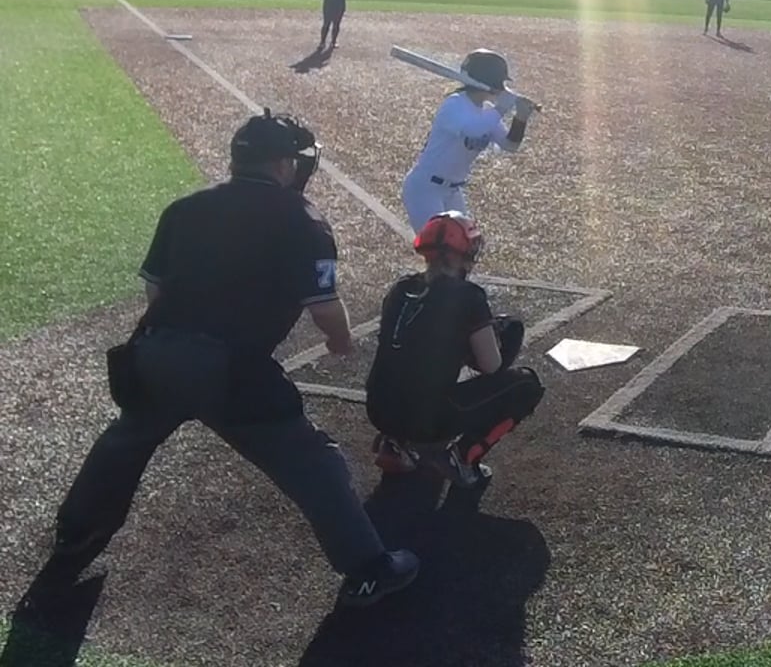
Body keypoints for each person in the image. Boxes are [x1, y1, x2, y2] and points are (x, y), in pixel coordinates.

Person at [41, 112, 419, 609]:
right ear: (283, 164)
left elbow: (156, 290)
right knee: (313, 462)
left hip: (154, 351)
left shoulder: (186, 207)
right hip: (230, 370)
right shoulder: (301, 218)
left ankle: (76, 533)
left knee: (124, 442)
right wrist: (340, 341)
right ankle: (369, 570)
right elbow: (324, 308)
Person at [366, 212, 545, 488]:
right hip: (426, 417)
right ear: (462, 253)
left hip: (379, 408)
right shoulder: (468, 296)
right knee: (526, 384)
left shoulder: (401, 288)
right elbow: (491, 365)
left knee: (414, 369)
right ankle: (462, 457)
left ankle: (397, 443)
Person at [400, 49, 536, 234]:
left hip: (452, 191)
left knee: (463, 245)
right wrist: (502, 108)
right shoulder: (454, 104)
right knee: (439, 246)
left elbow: (509, 145)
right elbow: (473, 129)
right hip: (425, 189)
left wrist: (521, 118)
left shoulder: (485, 111)